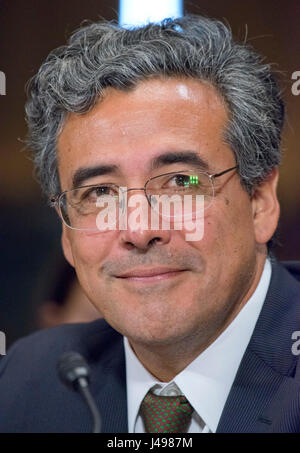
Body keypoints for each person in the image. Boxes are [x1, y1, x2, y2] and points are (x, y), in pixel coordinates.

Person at [0, 15, 299, 433]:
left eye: (182, 181)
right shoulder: (25, 383)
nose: (139, 231)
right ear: (66, 231)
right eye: (100, 193)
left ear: (260, 203)